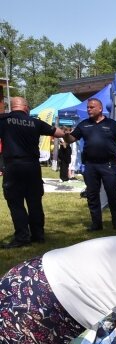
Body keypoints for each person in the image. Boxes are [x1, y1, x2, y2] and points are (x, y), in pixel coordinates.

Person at [0, 96, 65, 248]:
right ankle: (38, 235)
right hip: (33, 167)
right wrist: (68, 134)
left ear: (12, 107)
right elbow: (59, 133)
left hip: (14, 166)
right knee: (35, 201)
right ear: (26, 108)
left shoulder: (4, 120)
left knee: (16, 202)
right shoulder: (35, 122)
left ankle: (22, 237)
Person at [63, 98, 116, 231]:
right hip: (90, 165)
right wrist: (65, 135)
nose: (89, 109)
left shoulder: (112, 124)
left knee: (113, 194)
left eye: (92, 107)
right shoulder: (83, 124)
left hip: (108, 165)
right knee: (92, 195)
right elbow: (71, 139)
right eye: (88, 107)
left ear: (100, 108)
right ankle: (96, 223)